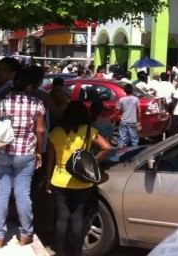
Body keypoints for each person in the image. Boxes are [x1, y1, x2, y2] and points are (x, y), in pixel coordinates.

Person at [0, 69, 46, 248]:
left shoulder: (1, 101)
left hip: (1, 152)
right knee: (22, 193)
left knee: (1, 194)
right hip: (26, 153)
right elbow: (40, 131)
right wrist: (39, 152)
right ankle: (26, 234)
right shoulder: (37, 103)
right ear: (30, 85)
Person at [45, 101, 111, 256]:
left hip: (59, 179)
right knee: (77, 218)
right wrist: (92, 161)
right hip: (82, 180)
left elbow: (51, 159)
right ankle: (76, 253)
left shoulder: (56, 132)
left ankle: (60, 252)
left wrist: (48, 178)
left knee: (61, 218)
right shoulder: (88, 131)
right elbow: (107, 147)